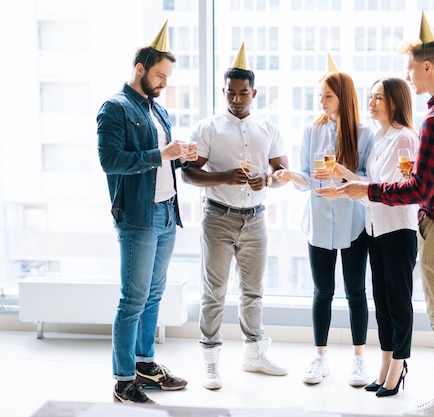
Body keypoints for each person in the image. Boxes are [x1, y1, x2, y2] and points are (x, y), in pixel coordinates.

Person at [335, 11, 434, 417]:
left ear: (428, 67)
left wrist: (366, 189)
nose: (409, 78)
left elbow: (419, 188)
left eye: (411, 70)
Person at [97, 20, 195, 404]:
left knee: (154, 295)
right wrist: (161, 154)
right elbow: (110, 161)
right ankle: (123, 381)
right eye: (160, 75)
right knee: (133, 299)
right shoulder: (115, 108)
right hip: (138, 217)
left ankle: (145, 365)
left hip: (166, 212)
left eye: (167, 76)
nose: (164, 82)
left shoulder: (159, 112)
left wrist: (181, 156)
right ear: (140, 69)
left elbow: (163, 161)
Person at [181, 42, 289, 390]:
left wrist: (268, 180)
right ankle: (211, 362)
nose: (237, 99)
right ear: (224, 91)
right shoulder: (207, 128)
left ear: (254, 93)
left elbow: (282, 172)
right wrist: (224, 177)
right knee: (214, 292)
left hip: (256, 219)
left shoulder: (267, 129)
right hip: (218, 217)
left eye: (243, 93)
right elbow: (188, 173)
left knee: (253, 291)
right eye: (231, 93)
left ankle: (254, 355)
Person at [274, 54, 374, 387]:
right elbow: (306, 175)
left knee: (356, 291)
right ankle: (319, 357)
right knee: (322, 291)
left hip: (354, 222)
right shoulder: (310, 131)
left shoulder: (363, 132)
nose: (321, 101)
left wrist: (343, 188)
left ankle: (359, 359)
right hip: (318, 221)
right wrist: (292, 176)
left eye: (327, 96)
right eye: (320, 96)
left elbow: (367, 179)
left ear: (343, 97)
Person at [320, 77, 419, 397]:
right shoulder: (381, 136)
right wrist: (345, 179)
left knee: (398, 303)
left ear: (395, 102)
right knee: (383, 303)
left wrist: (350, 191)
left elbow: (394, 190)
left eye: (379, 98)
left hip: (398, 230)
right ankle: (386, 362)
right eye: (371, 96)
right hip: (377, 230)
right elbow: (371, 184)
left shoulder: (404, 139)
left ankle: (400, 364)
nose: (371, 103)